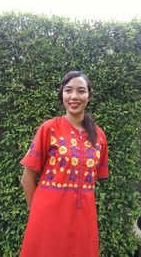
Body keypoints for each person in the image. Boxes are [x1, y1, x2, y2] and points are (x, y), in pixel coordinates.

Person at [19, 70, 109, 257]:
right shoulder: (48, 128)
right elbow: (27, 179)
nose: (74, 96)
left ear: (89, 96)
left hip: (84, 216)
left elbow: (94, 178)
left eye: (81, 91)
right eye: (68, 90)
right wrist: (36, 213)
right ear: (62, 95)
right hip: (48, 216)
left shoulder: (99, 136)